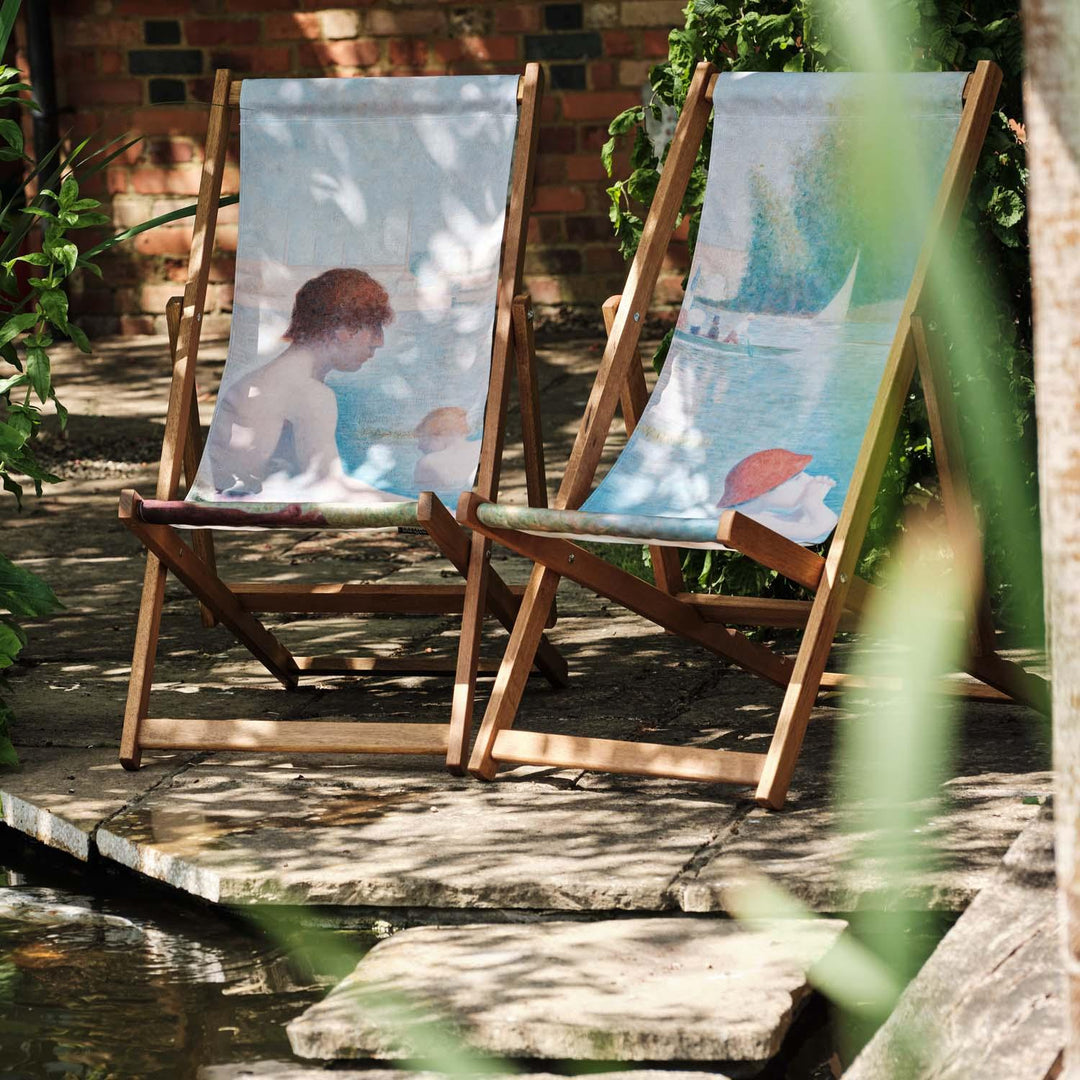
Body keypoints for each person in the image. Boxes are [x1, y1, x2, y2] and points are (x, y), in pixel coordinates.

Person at [206, 268, 400, 501]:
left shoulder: (258, 380)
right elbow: (328, 488)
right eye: (374, 326)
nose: (380, 342)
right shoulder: (310, 394)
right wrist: (431, 512)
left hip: (226, 499)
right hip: (250, 508)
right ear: (343, 328)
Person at [716, 447, 838, 544]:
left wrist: (806, 505)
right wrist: (812, 502)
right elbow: (824, 526)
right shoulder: (754, 522)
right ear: (765, 490)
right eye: (797, 478)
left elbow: (792, 521)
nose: (808, 480)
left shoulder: (757, 515)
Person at [413, 405, 478, 491]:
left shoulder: (428, 463)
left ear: (437, 436)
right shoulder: (482, 445)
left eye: (423, 439)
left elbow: (421, 498)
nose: (419, 447)